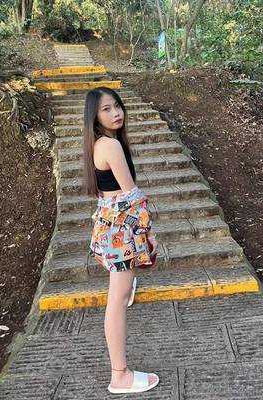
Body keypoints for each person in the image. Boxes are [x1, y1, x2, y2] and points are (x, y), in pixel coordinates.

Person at [83, 86, 159, 394]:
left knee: (120, 293)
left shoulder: (100, 143)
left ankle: (126, 288)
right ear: (94, 116)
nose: (116, 113)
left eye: (117, 106)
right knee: (116, 300)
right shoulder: (111, 146)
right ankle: (120, 375)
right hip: (120, 229)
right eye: (106, 109)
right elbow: (132, 196)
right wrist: (149, 232)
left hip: (110, 225)